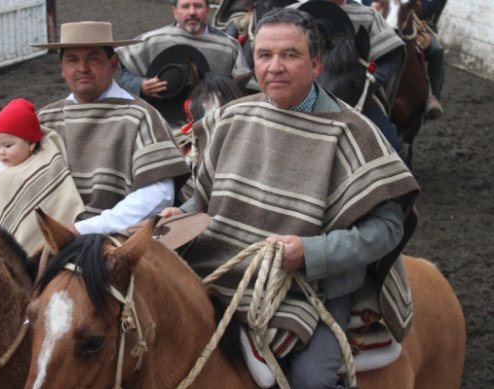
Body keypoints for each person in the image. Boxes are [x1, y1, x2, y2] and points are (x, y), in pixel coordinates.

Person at [163, 8, 419, 388]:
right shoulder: (232, 118)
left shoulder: (353, 133)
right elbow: (202, 202)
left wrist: (310, 253)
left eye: (290, 55)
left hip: (312, 284)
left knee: (311, 381)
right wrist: (177, 217)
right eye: (265, 55)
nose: (275, 66)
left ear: (316, 63)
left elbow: (386, 229)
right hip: (221, 266)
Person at [31, 21, 191, 236]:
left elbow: (158, 193)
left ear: (114, 63)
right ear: (62, 68)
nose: (82, 68)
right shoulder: (45, 119)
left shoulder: (139, 116)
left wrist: (85, 229)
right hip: (49, 234)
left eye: (93, 58)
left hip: (115, 241)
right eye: (72, 60)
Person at [0, 98, 85, 255]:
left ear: (31, 144)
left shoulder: (43, 166)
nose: (1, 152)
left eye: (8, 146)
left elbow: (57, 200)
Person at [115, 0, 249, 127]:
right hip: (159, 125)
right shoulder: (152, 41)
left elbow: (241, 88)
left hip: (212, 127)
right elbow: (125, 77)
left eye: (198, 6)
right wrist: (141, 85)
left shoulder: (229, 46)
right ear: (175, 11)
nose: (192, 12)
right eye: (185, 6)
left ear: (208, 10)